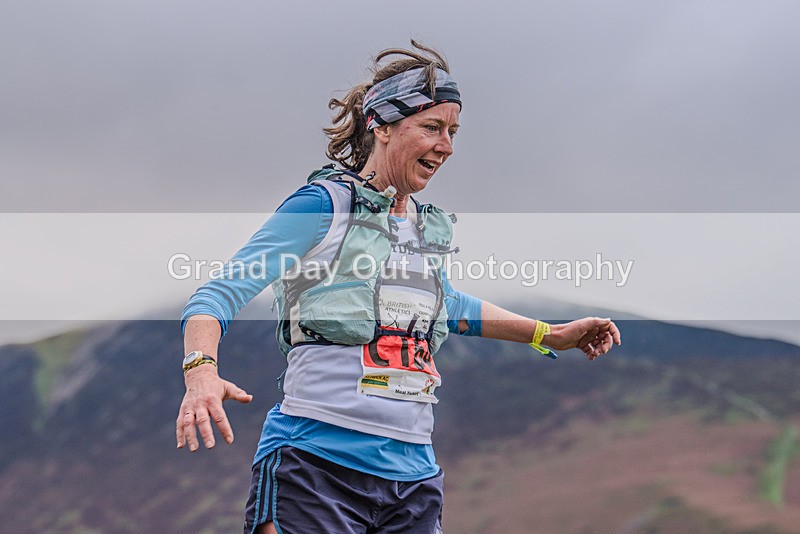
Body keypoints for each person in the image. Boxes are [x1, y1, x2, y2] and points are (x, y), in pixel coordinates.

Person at [176, 40, 621, 534]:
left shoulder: (423, 228)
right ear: (381, 126)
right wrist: (201, 373)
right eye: (432, 127)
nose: (447, 146)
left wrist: (549, 335)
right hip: (317, 466)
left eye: (453, 131)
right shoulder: (322, 206)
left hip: (413, 480)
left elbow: (446, 306)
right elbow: (219, 293)